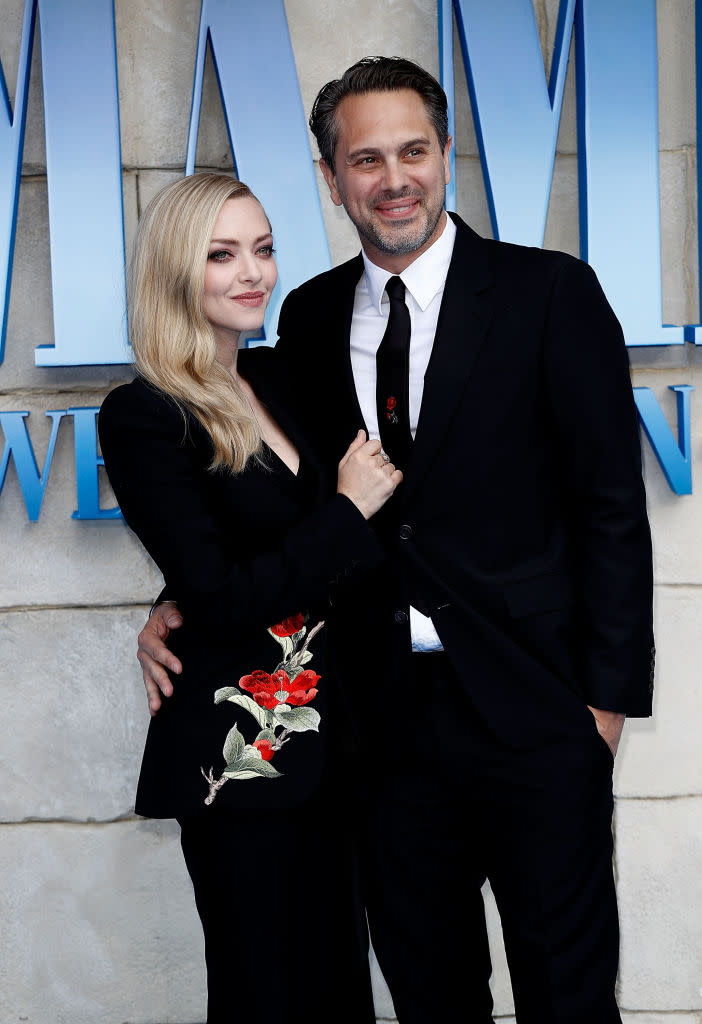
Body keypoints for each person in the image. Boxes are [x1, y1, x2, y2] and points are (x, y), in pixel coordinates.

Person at [138, 59, 654, 1023]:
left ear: (447, 156)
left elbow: (610, 509)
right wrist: (175, 605)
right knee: (430, 991)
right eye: (364, 158)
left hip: (535, 709)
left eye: (413, 150)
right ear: (333, 178)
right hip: (376, 726)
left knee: (570, 994)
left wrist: (603, 711)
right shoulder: (306, 316)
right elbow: (272, 499)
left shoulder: (549, 292)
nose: (393, 178)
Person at [98, 172, 403, 1024]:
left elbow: (237, 560)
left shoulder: (278, 379)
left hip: (338, 746)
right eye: (222, 253)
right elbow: (225, 594)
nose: (253, 272)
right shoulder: (145, 414)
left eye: (263, 248)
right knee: (263, 996)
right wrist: (346, 510)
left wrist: (172, 603)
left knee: (340, 993)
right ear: (174, 272)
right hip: (241, 761)